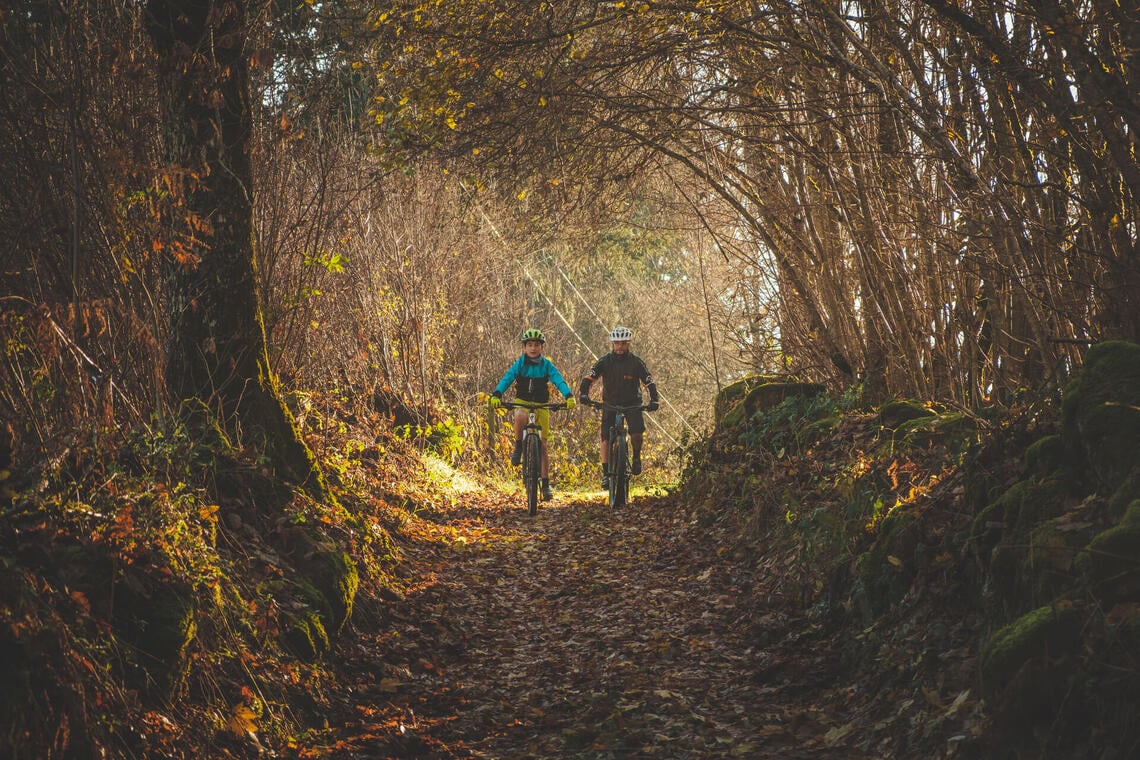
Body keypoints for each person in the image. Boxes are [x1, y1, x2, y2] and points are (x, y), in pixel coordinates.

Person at [490, 328, 576, 501]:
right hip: (522, 400)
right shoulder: (520, 363)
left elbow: (558, 379)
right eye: (529, 345)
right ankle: (519, 446)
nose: (533, 348)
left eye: (536, 345)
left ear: (541, 348)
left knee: (543, 445)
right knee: (519, 415)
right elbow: (508, 377)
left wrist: (568, 395)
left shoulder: (547, 365)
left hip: (541, 404)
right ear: (524, 347)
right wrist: (497, 393)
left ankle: (545, 484)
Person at [578, 326, 659, 488]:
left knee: (636, 433)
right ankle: (606, 473)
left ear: (628, 344)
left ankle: (636, 457)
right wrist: (584, 394)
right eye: (617, 343)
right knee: (605, 438)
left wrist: (654, 400)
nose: (620, 347)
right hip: (610, 404)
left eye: (623, 344)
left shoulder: (636, 362)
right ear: (612, 344)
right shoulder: (605, 361)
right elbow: (589, 377)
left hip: (632, 404)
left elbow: (649, 382)